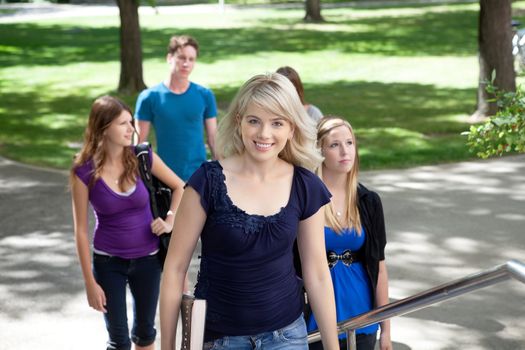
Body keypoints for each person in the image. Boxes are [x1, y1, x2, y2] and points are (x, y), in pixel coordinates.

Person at [159, 73, 339, 350]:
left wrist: (332, 347)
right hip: (219, 339)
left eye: (277, 123)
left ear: (291, 129)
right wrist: (167, 346)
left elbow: (316, 273)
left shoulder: (305, 185)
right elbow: (174, 268)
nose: (264, 134)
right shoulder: (207, 181)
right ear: (239, 121)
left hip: (287, 336)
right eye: (254, 120)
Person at [70, 95, 185, 350]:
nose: (131, 129)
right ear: (103, 127)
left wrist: (169, 221)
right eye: (123, 123)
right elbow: (79, 231)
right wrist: (90, 283)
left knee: (145, 335)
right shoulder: (84, 171)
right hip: (108, 263)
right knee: (118, 341)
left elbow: (180, 187)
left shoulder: (143, 157)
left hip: (148, 261)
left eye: (131, 122)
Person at [307, 117, 392, 350]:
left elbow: (380, 268)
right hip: (314, 318)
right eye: (334, 145)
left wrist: (386, 329)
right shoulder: (306, 199)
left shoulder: (368, 201)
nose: (345, 151)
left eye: (350, 143)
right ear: (320, 151)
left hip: (361, 312)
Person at [135, 35, 218, 182]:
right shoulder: (149, 97)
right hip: (165, 177)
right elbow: (139, 143)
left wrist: (220, 173)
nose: (186, 63)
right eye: (181, 58)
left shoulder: (205, 95)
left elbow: (213, 139)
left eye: (191, 59)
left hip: (199, 176)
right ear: (169, 58)